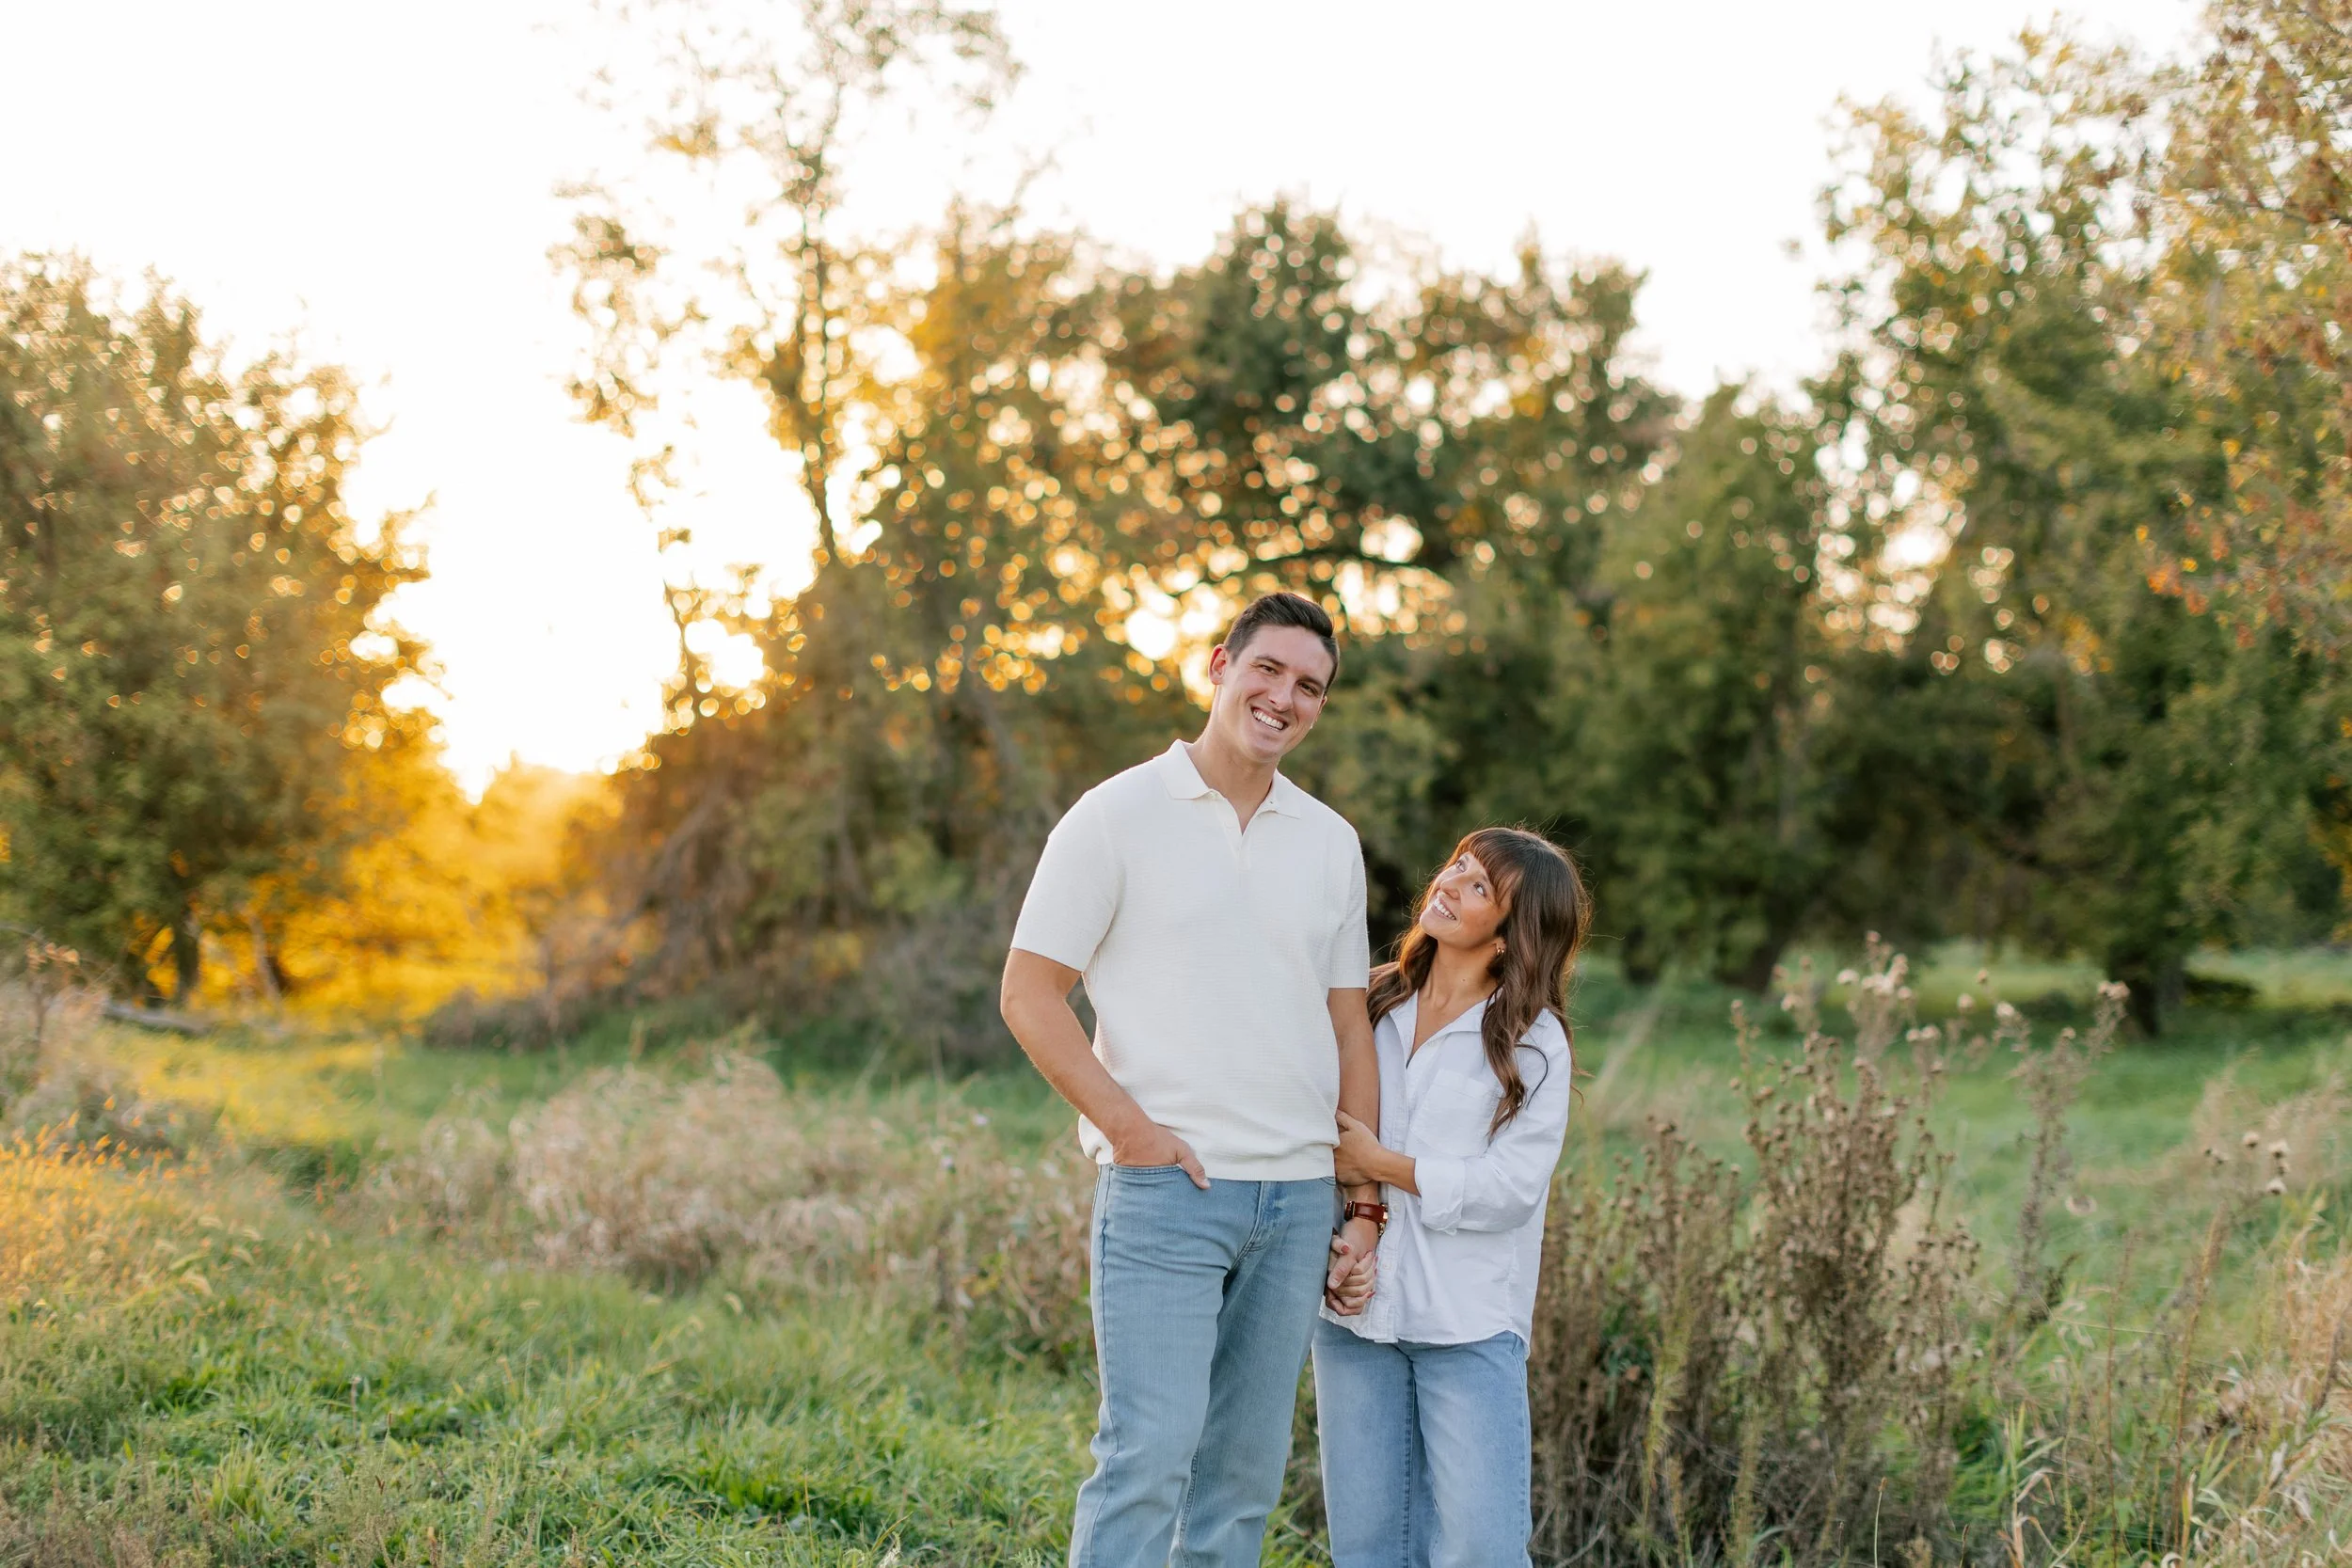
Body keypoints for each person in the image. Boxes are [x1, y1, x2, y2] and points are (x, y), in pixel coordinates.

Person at [999, 591, 1387, 1568]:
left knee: (1242, 1479)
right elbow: (1030, 991)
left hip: (1298, 1198)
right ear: (1220, 664)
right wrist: (1132, 1132)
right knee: (1146, 1458)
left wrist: (1362, 1197)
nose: (1285, 697)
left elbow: (1346, 1021)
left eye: (1310, 687)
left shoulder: (1329, 841)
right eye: (1269, 669)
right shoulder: (1116, 814)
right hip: (1170, 1188)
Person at [1316, 827, 1589, 1568]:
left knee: (1480, 1551)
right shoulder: (1369, 1002)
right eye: (1456, 868)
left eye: (1478, 889)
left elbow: (1510, 1190)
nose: (1448, 884)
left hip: (1467, 1324)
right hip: (1354, 1313)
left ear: (1509, 937)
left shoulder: (1532, 1043)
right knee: (1369, 1547)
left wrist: (1384, 1162)